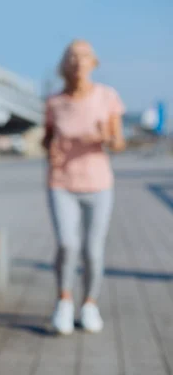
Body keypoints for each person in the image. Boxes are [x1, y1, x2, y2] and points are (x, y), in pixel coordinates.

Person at [42, 39, 126, 335]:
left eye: (85, 56)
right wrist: (49, 149)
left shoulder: (107, 96)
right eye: (73, 57)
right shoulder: (54, 102)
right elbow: (47, 138)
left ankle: (89, 304)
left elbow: (118, 143)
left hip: (99, 184)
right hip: (61, 182)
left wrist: (107, 136)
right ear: (65, 64)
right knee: (67, 244)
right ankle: (64, 301)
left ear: (94, 63)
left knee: (92, 250)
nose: (79, 62)